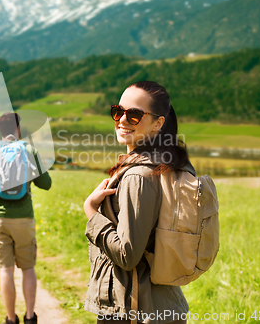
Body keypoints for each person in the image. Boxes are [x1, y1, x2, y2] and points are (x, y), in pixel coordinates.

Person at [83, 81, 194, 324]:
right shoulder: (163, 164)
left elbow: (127, 255)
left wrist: (91, 211)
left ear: (158, 123)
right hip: (157, 304)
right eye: (118, 111)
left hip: (134, 309)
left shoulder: (138, 176)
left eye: (134, 115)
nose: (122, 120)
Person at [0, 112, 52, 324]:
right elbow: (46, 184)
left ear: (0, 130)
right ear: (18, 128)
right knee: (28, 268)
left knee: (5, 270)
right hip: (24, 218)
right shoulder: (29, 150)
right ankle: (30, 317)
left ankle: (10, 318)